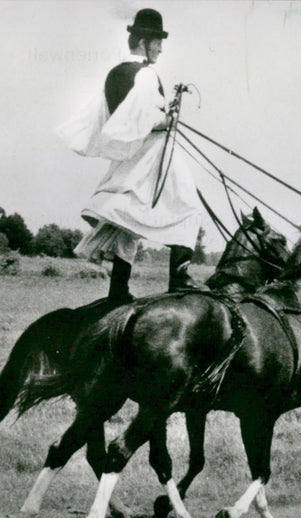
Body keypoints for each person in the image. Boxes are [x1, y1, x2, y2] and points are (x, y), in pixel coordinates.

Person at [57, 8, 205, 304]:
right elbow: (142, 119)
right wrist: (166, 120)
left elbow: (108, 121)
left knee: (127, 225)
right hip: (153, 157)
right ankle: (180, 279)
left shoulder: (114, 75)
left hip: (128, 160)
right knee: (189, 208)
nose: (161, 48)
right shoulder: (146, 75)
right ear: (144, 41)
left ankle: (118, 289)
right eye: (158, 42)